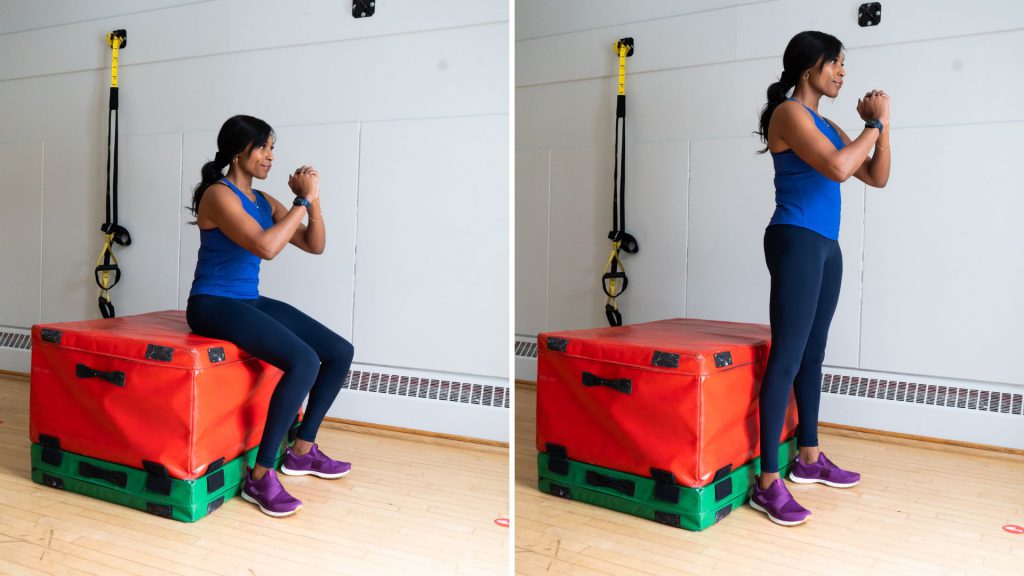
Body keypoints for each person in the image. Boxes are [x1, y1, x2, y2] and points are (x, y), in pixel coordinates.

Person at [750, 31, 891, 526]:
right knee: (787, 356)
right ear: (809, 68)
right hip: (795, 240)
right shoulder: (788, 114)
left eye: (843, 64)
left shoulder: (826, 122)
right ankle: (768, 482)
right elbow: (836, 167)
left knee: (813, 355)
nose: (842, 72)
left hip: (825, 246)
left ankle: (808, 459)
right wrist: (871, 123)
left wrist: (882, 128)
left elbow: (875, 176)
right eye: (835, 63)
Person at [186, 115, 355, 517]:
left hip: (248, 300)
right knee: (303, 361)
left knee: (339, 351)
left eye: (272, 148)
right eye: (263, 147)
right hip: (211, 303)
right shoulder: (218, 195)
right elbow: (266, 247)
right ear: (238, 152)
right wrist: (300, 201)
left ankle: (302, 450)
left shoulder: (263, 201)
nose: (270, 157)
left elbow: (315, 245)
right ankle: (261, 477)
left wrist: (313, 201)